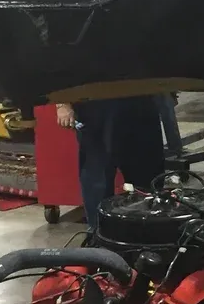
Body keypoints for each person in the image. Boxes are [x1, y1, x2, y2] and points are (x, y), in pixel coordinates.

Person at [56, 95, 165, 230]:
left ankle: (148, 235)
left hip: (140, 99)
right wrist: (62, 103)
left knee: (147, 178)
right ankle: (99, 236)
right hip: (94, 105)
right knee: (97, 180)